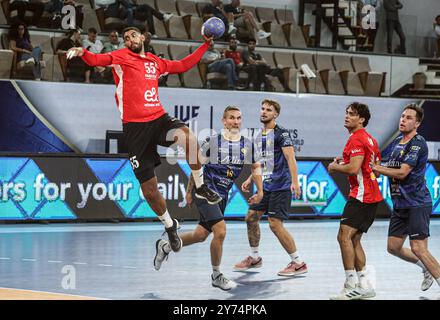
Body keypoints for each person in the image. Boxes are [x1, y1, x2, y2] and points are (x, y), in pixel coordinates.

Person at [66, 27, 221, 252]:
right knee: (149, 189)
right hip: (135, 129)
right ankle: (169, 226)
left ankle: (200, 186)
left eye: (133, 35)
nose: (129, 39)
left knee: (188, 138)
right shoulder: (121, 56)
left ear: (143, 38)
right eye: (126, 37)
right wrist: (83, 52)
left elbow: (183, 65)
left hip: (158, 119)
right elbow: (98, 59)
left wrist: (206, 45)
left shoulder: (155, 62)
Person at [153, 106, 264, 291]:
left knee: (201, 235)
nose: (235, 121)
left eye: (238, 118)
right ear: (224, 121)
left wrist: (260, 191)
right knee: (220, 231)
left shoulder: (247, 145)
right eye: (231, 118)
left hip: (222, 196)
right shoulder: (213, 142)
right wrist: (190, 192)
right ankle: (216, 275)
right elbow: (196, 168)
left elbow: (256, 167)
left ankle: (165, 247)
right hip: (205, 191)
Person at [370, 104, 440, 294]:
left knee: (418, 248)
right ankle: (426, 267)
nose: (403, 120)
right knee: (393, 247)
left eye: (409, 118)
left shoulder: (418, 143)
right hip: (400, 204)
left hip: (417, 203)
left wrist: (378, 169)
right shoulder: (396, 143)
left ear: (417, 123)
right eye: (402, 116)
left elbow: (402, 172)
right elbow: (385, 167)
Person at [233, 99, 308, 277]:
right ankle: (254, 257)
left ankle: (298, 263)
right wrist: (251, 178)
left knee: (275, 224)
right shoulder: (259, 136)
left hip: (280, 186)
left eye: (269, 110)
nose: (264, 112)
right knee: (251, 217)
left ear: (276, 114)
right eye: (263, 108)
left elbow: (291, 158)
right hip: (265, 187)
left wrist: (295, 182)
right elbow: (262, 161)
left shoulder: (281, 134)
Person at [327, 102, 383, 300]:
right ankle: (365, 284)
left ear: (362, 120)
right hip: (371, 194)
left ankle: (350, 284)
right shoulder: (370, 140)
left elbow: (353, 169)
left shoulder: (357, 139)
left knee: (344, 236)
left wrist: (334, 167)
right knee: (354, 239)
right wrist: (346, 163)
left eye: (352, 114)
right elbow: (372, 165)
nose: (347, 116)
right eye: (346, 113)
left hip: (362, 195)